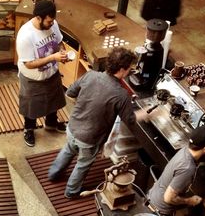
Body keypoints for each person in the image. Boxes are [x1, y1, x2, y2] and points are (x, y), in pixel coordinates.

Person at [48, 48, 151, 199]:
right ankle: (71, 191)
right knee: (82, 164)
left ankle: (53, 173)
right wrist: (147, 113)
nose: (130, 71)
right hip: (89, 139)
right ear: (122, 70)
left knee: (68, 149)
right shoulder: (121, 94)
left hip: (72, 127)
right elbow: (130, 120)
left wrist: (86, 106)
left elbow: (70, 93)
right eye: (130, 68)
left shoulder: (90, 75)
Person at [147, 125, 205, 216]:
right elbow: (169, 198)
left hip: (152, 197)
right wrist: (190, 201)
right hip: (159, 212)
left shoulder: (188, 150)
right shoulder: (188, 168)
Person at [16, 0, 69, 148]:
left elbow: (59, 42)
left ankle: (51, 123)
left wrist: (62, 51)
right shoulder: (25, 36)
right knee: (31, 106)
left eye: (53, 21)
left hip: (52, 72)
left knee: (54, 99)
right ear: (39, 18)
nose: (51, 24)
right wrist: (53, 57)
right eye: (49, 21)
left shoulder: (53, 24)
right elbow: (28, 63)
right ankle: (29, 129)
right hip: (33, 78)